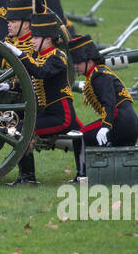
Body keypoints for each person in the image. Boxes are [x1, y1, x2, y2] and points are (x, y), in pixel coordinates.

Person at [69, 35, 138, 178]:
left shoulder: (98, 75)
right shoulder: (100, 72)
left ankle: (82, 176)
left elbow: (109, 102)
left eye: (78, 63)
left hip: (120, 122)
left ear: (89, 61)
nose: (75, 67)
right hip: (128, 122)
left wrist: (105, 127)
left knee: (79, 136)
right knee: (121, 162)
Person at [8, 12, 92, 185]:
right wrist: (10, 86)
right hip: (50, 113)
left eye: (35, 38)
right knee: (82, 135)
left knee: (21, 131)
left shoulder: (57, 57)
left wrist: (20, 55)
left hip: (61, 115)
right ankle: (83, 175)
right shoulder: (41, 56)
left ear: (47, 40)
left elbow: (41, 72)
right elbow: (33, 80)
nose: (32, 41)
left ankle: (28, 177)